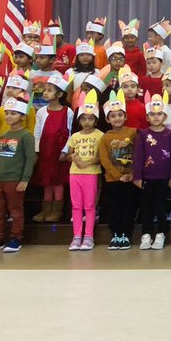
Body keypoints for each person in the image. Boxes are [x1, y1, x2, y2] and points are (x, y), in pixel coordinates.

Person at [0, 98, 35, 254]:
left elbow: (30, 158)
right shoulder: (5, 134)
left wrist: (25, 179)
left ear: (23, 116)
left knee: (15, 210)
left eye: (13, 113)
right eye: (7, 113)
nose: (9, 116)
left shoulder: (26, 136)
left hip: (15, 180)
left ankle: (16, 238)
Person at [133, 92, 171, 250]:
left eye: (159, 114)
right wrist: (137, 176)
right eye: (152, 114)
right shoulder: (143, 134)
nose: (156, 117)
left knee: (160, 206)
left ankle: (161, 233)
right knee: (146, 207)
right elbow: (138, 156)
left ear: (165, 116)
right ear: (147, 117)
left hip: (163, 178)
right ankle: (146, 234)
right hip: (147, 177)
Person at [62, 91, 104, 251]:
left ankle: (88, 236)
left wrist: (87, 163)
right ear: (79, 120)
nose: (87, 122)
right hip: (75, 174)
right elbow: (66, 155)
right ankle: (76, 236)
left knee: (90, 205)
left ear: (96, 120)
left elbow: (101, 156)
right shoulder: (74, 136)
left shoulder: (100, 135)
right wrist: (73, 157)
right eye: (84, 119)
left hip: (91, 173)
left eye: (91, 118)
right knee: (76, 206)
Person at [98, 90, 139, 250]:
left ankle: (126, 235)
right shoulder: (105, 137)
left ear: (125, 116)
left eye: (120, 115)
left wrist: (132, 173)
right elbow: (104, 159)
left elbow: (138, 154)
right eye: (113, 116)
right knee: (114, 208)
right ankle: (115, 234)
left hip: (130, 179)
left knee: (128, 208)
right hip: (112, 180)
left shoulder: (133, 132)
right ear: (108, 119)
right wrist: (117, 175)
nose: (117, 118)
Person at [32, 72, 74, 222]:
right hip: (45, 149)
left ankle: (56, 210)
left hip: (59, 150)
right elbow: (37, 131)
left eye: (50, 90)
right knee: (46, 180)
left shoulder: (67, 111)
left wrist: (65, 151)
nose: (45, 93)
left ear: (60, 94)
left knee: (58, 180)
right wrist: (37, 149)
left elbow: (69, 132)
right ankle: (45, 209)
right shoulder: (42, 111)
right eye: (45, 90)